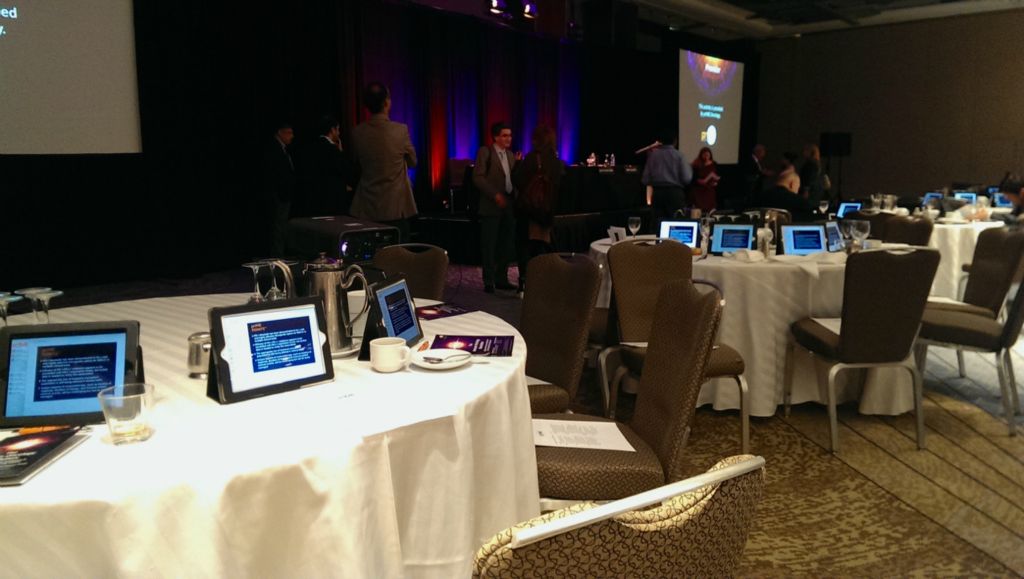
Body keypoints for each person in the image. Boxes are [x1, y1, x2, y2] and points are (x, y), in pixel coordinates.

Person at [350, 82, 417, 242]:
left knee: (370, 261)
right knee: (398, 258)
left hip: (366, 208)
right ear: (386, 102)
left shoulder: (357, 132)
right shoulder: (400, 130)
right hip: (395, 208)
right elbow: (413, 161)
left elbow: (355, 164)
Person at [512, 124, 563, 294]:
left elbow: (518, 180)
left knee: (525, 248)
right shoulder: (557, 162)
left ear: (536, 140)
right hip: (547, 212)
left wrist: (517, 164)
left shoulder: (531, 158)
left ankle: (525, 284)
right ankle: (545, 283)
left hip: (528, 212)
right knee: (544, 248)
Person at [473, 122, 519, 293]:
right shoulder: (485, 152)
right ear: (496, 137)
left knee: (506, 243)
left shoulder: (510, 155)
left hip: (508, 204)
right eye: (505, 135)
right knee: (489, 244)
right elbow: (478, 177)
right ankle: (488, 280)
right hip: (491, 205)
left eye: (510, 135)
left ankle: (502, 278)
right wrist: (495, 195)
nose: (509, 138)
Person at [299, 115, 353, 216]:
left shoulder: (311, 147)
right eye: (338, 129)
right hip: (333, 198)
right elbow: (344, 169)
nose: (339, 133)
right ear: (332, 130)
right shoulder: (332, 149)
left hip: (315, 197)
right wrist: (340, 152)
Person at [641, 131, 692, 227]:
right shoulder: (679, 155)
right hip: (675, 194)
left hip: (657, 195)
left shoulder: (653, 156)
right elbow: (687, 178)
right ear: (675, 141)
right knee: (677, 225)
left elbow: (645, 179)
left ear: (660, 141)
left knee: (657, 225)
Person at [263, 121, 295, 256]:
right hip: (278, 195)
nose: (292, 136)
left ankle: (280, 255)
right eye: (289, 133)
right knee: (278, 227)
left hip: (284, 194)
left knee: (281, 227)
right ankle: (277, 256)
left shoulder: (283, 149)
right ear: (279, 133)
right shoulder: (274, 149)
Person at [689, 146, 720, 213]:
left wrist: (715, 182)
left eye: (707, 155)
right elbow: (694, 178)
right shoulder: (697, 164)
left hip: (709, 189)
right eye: (704, 155)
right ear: (701, 155)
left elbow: (717, 176)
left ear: (710, 155)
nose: (706, 156)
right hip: (699, 189)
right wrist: (701, 181)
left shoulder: (714, 164)